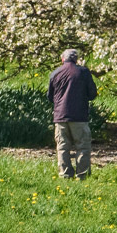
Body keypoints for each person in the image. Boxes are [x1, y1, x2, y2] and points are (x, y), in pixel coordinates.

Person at [48, 48, 97, 179]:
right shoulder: (83, 72)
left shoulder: (55, 73)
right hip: (79, 116)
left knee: (62, 147)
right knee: (82, 146)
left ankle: (65, 175)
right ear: (76, 59)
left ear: (62, 59)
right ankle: (82, 175)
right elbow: (92, 94)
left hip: (60, 116)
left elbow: (50, 96)